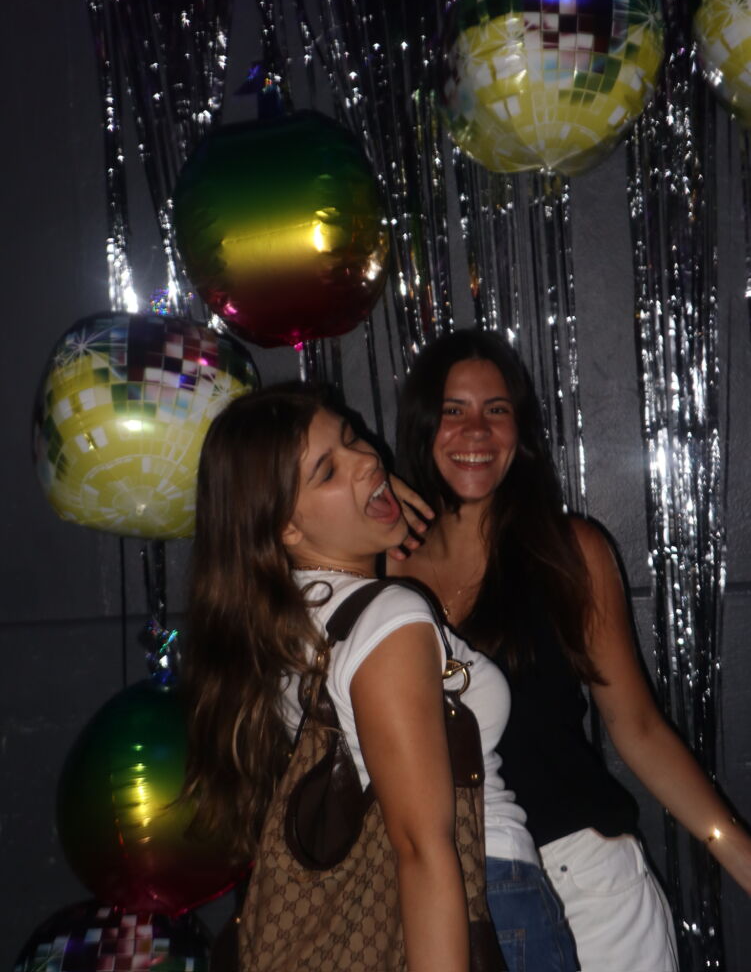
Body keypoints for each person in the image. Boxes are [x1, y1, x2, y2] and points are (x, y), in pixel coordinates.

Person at [181, 381, 576, 972]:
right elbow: (422, 847)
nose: (367, 459)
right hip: (482, 903)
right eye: (327, 470)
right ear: (286, 528)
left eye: (351, 437)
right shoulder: (386, 618)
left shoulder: (287, 625)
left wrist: (372, 518)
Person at [389, 327, 751, 972]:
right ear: (421, 426)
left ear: (520, 433)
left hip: (585, 887)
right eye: (453, 410)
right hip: (450, 898)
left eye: (496, 410)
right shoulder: (386, 574)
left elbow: (638, 729)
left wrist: (741, 858)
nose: (476, 431)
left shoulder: (567, 552)